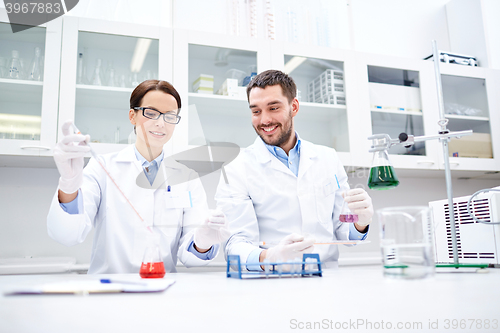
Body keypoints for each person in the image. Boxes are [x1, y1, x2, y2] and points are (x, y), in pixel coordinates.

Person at [47, 80, 230, 274]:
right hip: (110, 291)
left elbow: (191, 258)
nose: (160, 123)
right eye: (151, 113)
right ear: (132, 116)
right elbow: (68, 235)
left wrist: (202, 242)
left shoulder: (187, 177)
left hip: (162, 291)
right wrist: (69, 186)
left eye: (170, 116)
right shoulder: (102, 167)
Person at [215, 70, 374, 270]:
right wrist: (269, 257)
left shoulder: (328, 158)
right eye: (256, 111)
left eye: (273, 108)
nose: (264, 120)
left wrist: (360, 221)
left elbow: (343, 227)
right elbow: (234, 243)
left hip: (325, 281)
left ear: (294, 106)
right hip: (269, 282)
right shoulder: (235, 168)